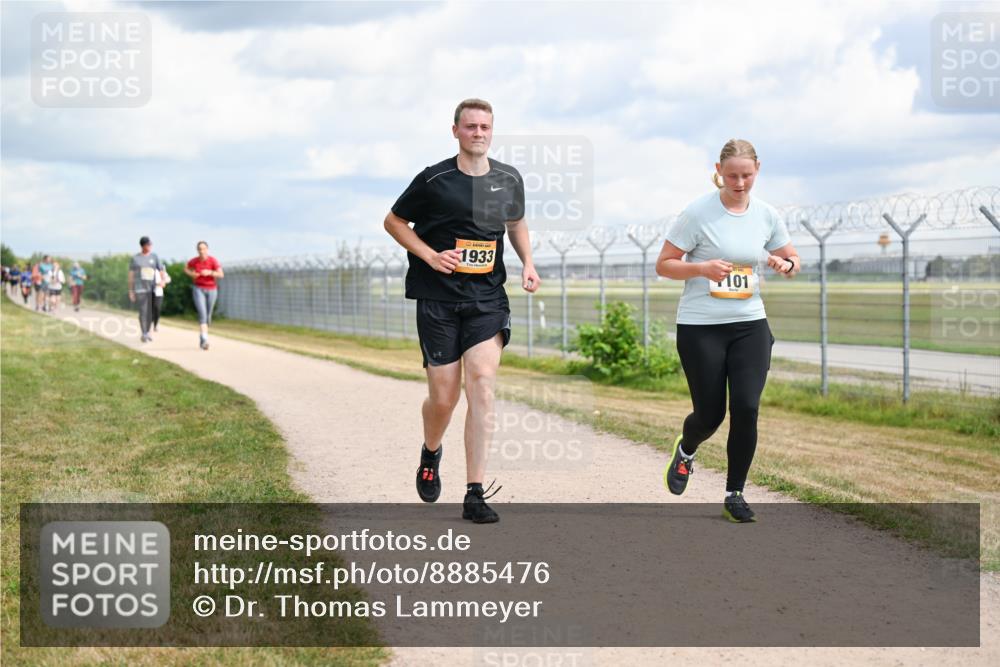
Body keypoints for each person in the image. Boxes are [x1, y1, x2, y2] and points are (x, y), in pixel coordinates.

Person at [383, 98, 541, 524]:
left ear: (492, 130)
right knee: (444, 396)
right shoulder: (434, 179)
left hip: (487, 298)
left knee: (483, 383)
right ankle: (431, 451)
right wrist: (430, 255)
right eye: (470, 126)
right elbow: (394, 222)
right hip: (437, 299)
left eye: (485, 126)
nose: (478, 133)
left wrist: (527, 261)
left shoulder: (509, 178)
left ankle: (474, 491)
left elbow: (516, 223)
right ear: (455, 131)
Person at [655, 139, 800, 523]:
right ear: (719, 170)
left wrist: (785, 265)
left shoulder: (767, 215)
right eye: (732, 175)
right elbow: (665, 265)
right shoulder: (697, 213)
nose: (739, 183)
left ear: (758, 170)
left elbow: (792, 258)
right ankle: (686, 449)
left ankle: (734, 493)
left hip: (750, 323)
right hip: (701, 327)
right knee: (710, 414)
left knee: (747, 408)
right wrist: (701, 269)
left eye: (747, 175)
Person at [184, 241, 222, 350]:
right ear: (197, 250)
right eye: (200, 249)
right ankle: (204, 340)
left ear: (207, 249)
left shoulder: (213, 261)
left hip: (212, 289)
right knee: (202, 314)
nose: (202, 251)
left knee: (208, 316)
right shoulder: (194, 261)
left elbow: (221, 274)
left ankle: (203, 332)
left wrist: (210, 272)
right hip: (198, 289)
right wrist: (192, 274)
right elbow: (186, 268)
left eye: (204, 249)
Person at [128, 237, 166, 343]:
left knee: (151, 311)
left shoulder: (154, 257)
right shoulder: (136, 259)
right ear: (142, 246)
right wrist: (131, 291)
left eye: (151, 244)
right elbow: (131, 275)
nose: (150, 246)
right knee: (143, 311)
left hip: (152, 288)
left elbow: (161, 270)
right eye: (148, 245)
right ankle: (144, 333)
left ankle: (148, 331)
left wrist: (163, 280)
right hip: (140, 288)